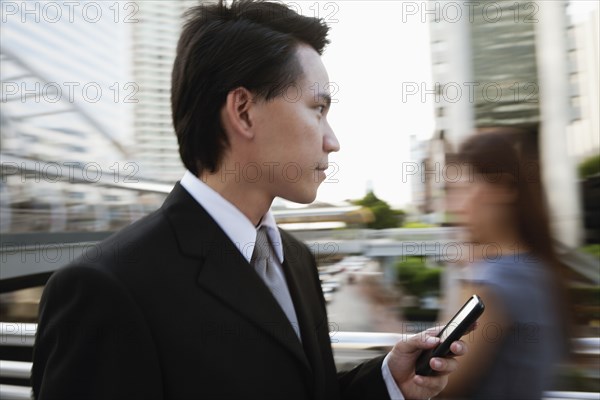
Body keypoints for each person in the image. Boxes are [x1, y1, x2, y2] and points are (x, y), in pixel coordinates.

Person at [32, 1, 468, 399]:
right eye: (318, 108)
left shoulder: (295, 260)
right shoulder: (106, 289)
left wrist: (389, 380)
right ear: (243, 111)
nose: (333, 141)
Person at [440, 130, 569, 399]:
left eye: (464, 189)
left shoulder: (491, 283)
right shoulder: (535, 268)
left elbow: (436, 381)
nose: (456, 208)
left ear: (505, 188)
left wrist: (464, 275)